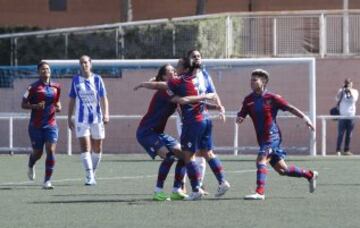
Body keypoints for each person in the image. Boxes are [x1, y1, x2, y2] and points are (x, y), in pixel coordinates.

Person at [134, 63, 216, 201]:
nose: (174, 72)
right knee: (170, 157)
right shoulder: (166, 91)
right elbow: (183, 101)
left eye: (174, 70)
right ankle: (158, 191)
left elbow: (191, 101)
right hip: (146, 132)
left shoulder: (176, 88)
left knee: (184, 156)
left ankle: (176, 190)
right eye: (170, 71)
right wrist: (204, 96)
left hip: (158, 133)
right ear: (164, 77)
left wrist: (215, 106)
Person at [236, 69, 318, 200]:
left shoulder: (272, 98)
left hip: (272, 136)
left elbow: (290, 108)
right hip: (262, 139)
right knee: (283, 170)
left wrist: (305, 118)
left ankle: (260, 192)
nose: (251, 82)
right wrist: (240, 117)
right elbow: (242, 112)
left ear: (263, 82)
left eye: (254, 80)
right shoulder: (248, 99)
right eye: (250, 79)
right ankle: (310, 175)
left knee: (261, 160)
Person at [168, 50, 230, 200]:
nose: (175, 69)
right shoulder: (196, 78)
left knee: (188, 156)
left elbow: (178, 98)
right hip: (205, 119)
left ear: (185, 67)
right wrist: (213, 104)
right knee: (207, 153)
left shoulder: (179, 81)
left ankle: (196, 189)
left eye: (178, 66)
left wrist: (175, 96)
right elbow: (205, 97)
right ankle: (222, 181)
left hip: (192, 121)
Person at [67, 55, 109, 186]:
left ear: (90, 64)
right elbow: (72, 100)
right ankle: (89, 175)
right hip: (81, 119)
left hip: (97, 118)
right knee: (85, 147)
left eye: (86, 62)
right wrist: (69, 117)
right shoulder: (75, 80)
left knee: (98, 148)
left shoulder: (97, 79)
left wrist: (106, 113)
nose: (83, 65)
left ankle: (92, 172)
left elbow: (104, 97)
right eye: (81, 63)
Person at [22, 61, 61, 189]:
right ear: (39, 72)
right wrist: (35, 106)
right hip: (36, 126)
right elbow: (23, 104)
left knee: (51, 150)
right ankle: (31, 163)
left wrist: (58, 106)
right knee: (38, 153)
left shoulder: (56, 87)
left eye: (47, 69)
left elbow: (57, 102)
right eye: (43, 69)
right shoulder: (32, 88)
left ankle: (47, 181)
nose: (46, 71)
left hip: (51, 124)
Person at [335, 78, 358, 156]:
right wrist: (342, 90)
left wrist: (349, 90)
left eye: (349, 83)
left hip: (351, 116)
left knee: (349, 134)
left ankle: (346, 150)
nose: (348, 84)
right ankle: (338, 150)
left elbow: (354, 99)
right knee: (340, 134)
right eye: (346, 83)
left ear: (352, 83)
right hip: (342, 116)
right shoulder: (341, 91)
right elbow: (336, 99)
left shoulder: (355, 91)